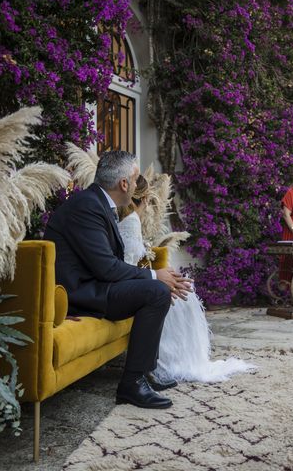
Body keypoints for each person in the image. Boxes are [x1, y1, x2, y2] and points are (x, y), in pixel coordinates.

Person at [44, 151, 191, 409]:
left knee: (155, 288)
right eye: (135, 180)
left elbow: (108, 265)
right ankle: (131, 385)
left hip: (94, 285)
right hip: (78, 295)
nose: (136, 185)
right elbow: (106, 268)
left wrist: (156, 277)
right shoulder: (87, 206)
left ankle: (144, 372)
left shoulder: (97, 203)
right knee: (155, 291)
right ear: (124, 184)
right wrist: (155, 275)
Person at [117, 175, 255, 381]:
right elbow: (127, 264)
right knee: (182, 297)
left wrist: (163, 274)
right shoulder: (131, 222)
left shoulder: (132, 220)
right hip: (132, 283)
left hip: (138, 278)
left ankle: (188, 358)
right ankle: (176, 360)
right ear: (145, 199)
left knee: (185, 291)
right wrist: (156, 278)